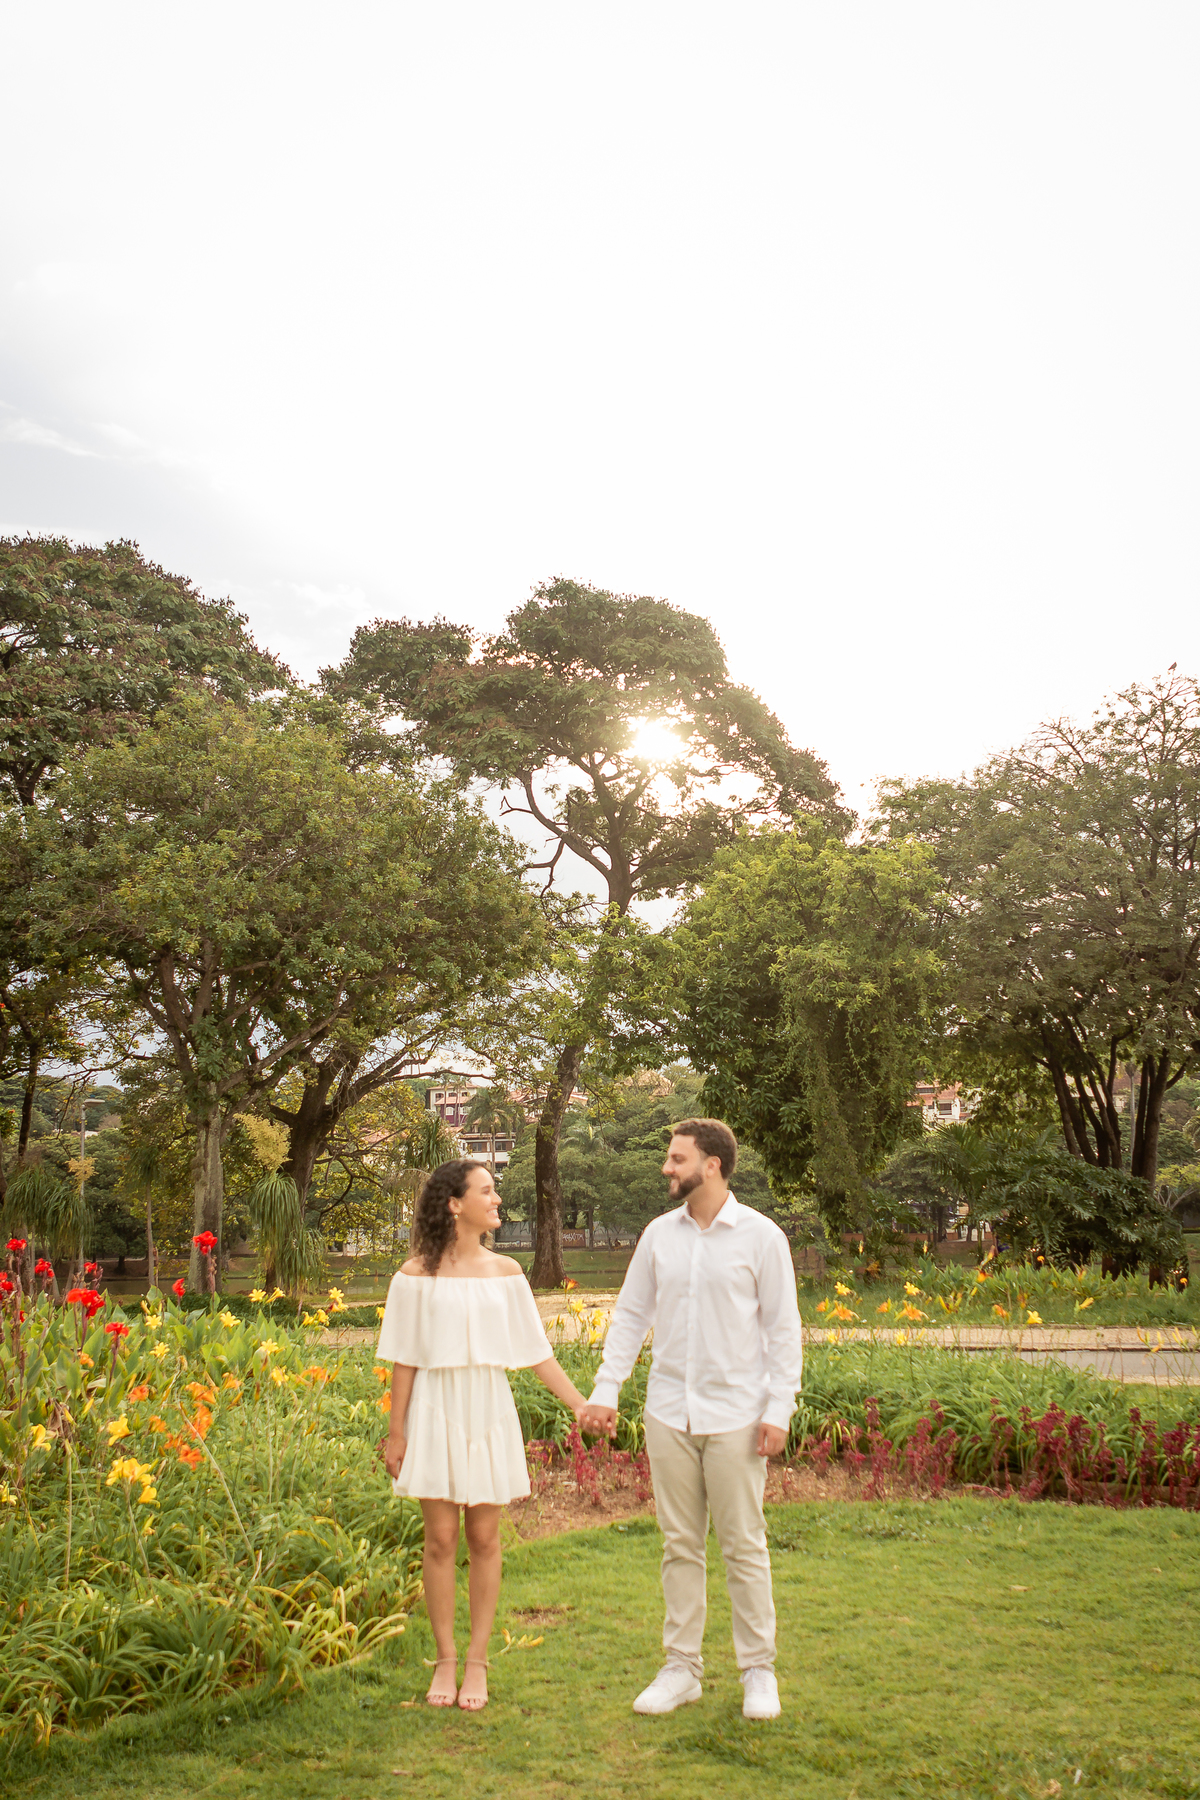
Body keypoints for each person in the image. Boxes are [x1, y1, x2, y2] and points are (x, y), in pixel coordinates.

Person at [579, 1118, 802, 1722]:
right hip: (668, 1412)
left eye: (677, 1159)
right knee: (679, 1544)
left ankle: (758, 1671)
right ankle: (682, 1669)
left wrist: (779, 1409)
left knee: (743, 1545)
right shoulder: (659, 1236)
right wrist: (606, 1389)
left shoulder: (762, 1237)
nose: (666, 1167)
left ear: (712, 1165)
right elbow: (630, 1316)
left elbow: (783, 1331)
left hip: (737, 1416)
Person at [378, 1158, 589, 1711]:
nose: (497, 1200)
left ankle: (477, 1662)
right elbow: (403, 1359)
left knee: (485, 1538)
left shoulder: (507, 1273)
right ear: (455, 1204)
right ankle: (444, 1659)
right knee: (440, 1539)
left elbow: (536, 1352)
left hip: (489, 1407)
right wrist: (396, 1434)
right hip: (434, 1409)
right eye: (487, 1191)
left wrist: (580, 1405)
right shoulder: (413, 1276)